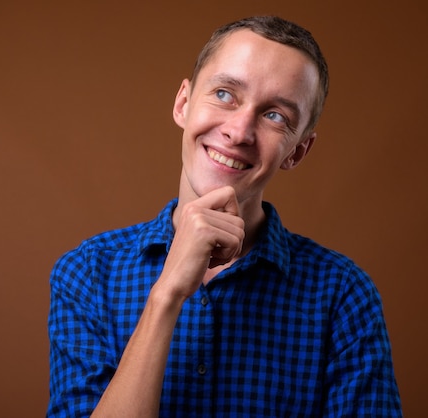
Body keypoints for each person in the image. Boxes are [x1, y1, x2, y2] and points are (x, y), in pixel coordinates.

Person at [47, 15, 402, 417]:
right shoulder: (88, 272)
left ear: (297, 152)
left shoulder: (343, 294)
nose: (239, 131)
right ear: (183, 103)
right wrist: (166, 295)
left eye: (275, 116)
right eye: (224, 93)